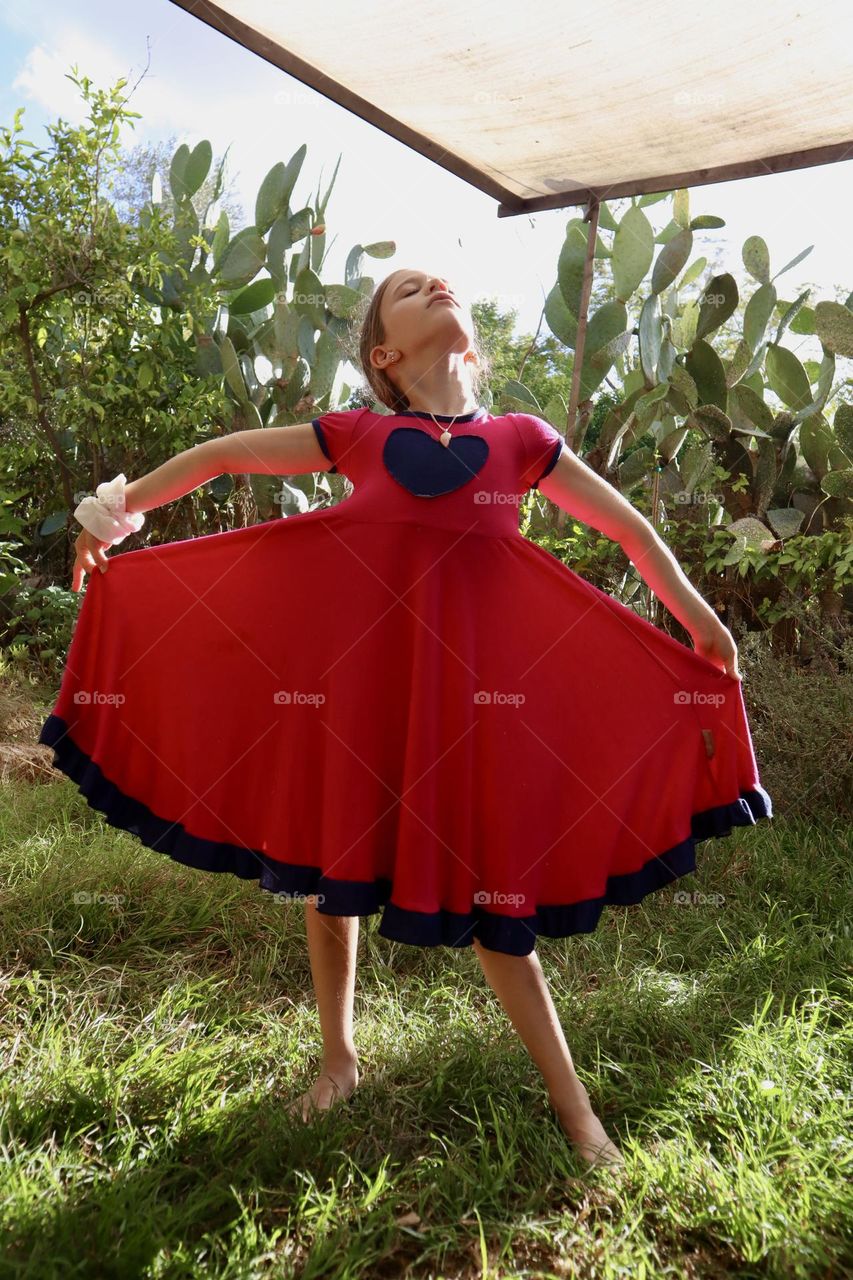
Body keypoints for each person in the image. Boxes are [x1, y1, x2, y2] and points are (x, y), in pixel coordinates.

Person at [40, 267, 772, 1169]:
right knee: (329, 865)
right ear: (384, 356)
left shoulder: (522, 443)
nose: (433, 281)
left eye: (439, 280)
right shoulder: (357, 434)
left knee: (493, 900)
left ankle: (574, 1107)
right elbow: (224, 454)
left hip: (474, 708)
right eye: (405, 289)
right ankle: (340, 1058)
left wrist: (700, 622)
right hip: (355, 690)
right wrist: (114, 511)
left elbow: (629, 532)